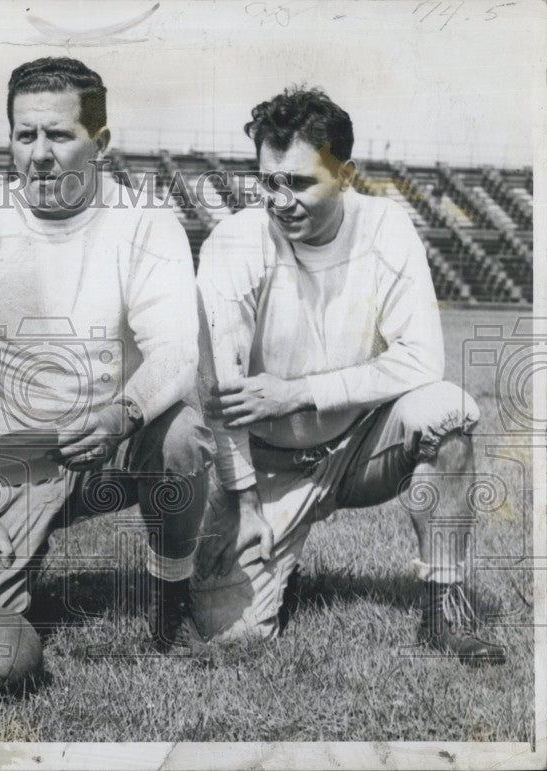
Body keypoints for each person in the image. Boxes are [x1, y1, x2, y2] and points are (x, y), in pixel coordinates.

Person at [193, 87, 506, 665]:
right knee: (226, 632)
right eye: (270, 183)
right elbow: (219, 395)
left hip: (359, 445)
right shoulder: (235, 242)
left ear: (346, 174)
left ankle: (446, 607)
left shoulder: (387, 227)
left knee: (448, 412)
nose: (281, 201)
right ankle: (280, 563)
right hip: (266, 462)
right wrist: (245, 503)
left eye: (302, 183)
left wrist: (298, 393)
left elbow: (420, 359)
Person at [0, 57, 215, 657]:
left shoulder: (146, 220)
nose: (39, 154)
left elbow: (177, 351)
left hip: (109, 441)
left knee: (182, 436)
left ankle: (170, 594)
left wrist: (120, 416)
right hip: (14, 458)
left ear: (99, 143)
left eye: (59, 134)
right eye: (25, 135)